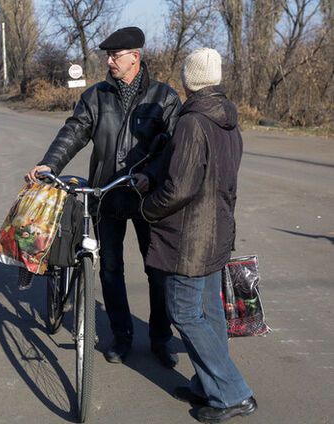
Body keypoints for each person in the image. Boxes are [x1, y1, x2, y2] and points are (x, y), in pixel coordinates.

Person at [26, 27, 181, 367]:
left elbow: (172, 150)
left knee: (157, 270)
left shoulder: (164, 98)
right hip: (105, 193)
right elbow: (74, 131)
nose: (109, 61)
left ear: (134, 57)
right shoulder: (96, 96)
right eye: (108, 56)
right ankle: (121, 336)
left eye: (115, 56)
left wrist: (150, 176)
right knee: (110, 268)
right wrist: (49, 164)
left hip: (146, 197)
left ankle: (160, 338)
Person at [140, 48, 257, 422]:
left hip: (191, 237)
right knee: (209, 313)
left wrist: (148, 207)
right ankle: (208, 385)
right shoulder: (227, 119)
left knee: (186, 313)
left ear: (189, 80)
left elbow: (180, 188)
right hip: (217, 230)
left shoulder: (193, 122)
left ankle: (233, 394)